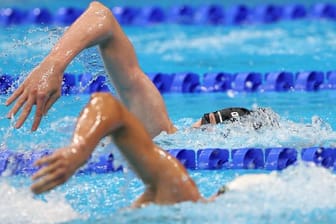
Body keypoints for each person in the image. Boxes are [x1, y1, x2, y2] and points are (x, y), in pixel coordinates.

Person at [4, 1, 271, 138]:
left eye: (205, 122)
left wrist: (54, 64)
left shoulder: (156, 133)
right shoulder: (156, 128)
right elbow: (100, 15)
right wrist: (53, 65)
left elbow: (102, 16)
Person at [31, 91, 274, 207]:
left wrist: (79, 150)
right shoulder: (180, 189)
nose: (195, 127)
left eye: (205, 123)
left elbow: (105, 104)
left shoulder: (181, 190)